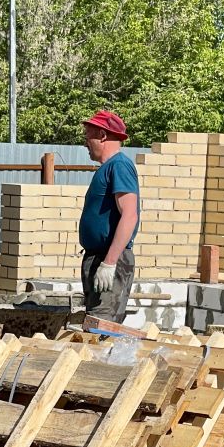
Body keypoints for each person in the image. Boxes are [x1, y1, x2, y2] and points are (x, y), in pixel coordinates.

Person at [78, 110, 140, 323]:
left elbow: (130, 215)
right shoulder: (108, 168)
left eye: (88, 137)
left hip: (110, 259)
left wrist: (110, 262)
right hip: (99, 257)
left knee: (100, 326)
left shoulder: (119, 166)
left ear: (103, 136)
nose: (85, 143)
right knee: (95, 323)